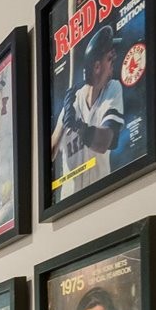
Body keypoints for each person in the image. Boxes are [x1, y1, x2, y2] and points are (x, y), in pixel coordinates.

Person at [51, 25, 125, 201]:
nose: (113, 65)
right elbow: (49, 155)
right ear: (97, 66)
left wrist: (78, 126)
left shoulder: (113, 89)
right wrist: (63, 123)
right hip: (69, 206)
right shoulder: (73, 101)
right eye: (110, 60)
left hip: (101, 199)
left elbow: (104, 141)